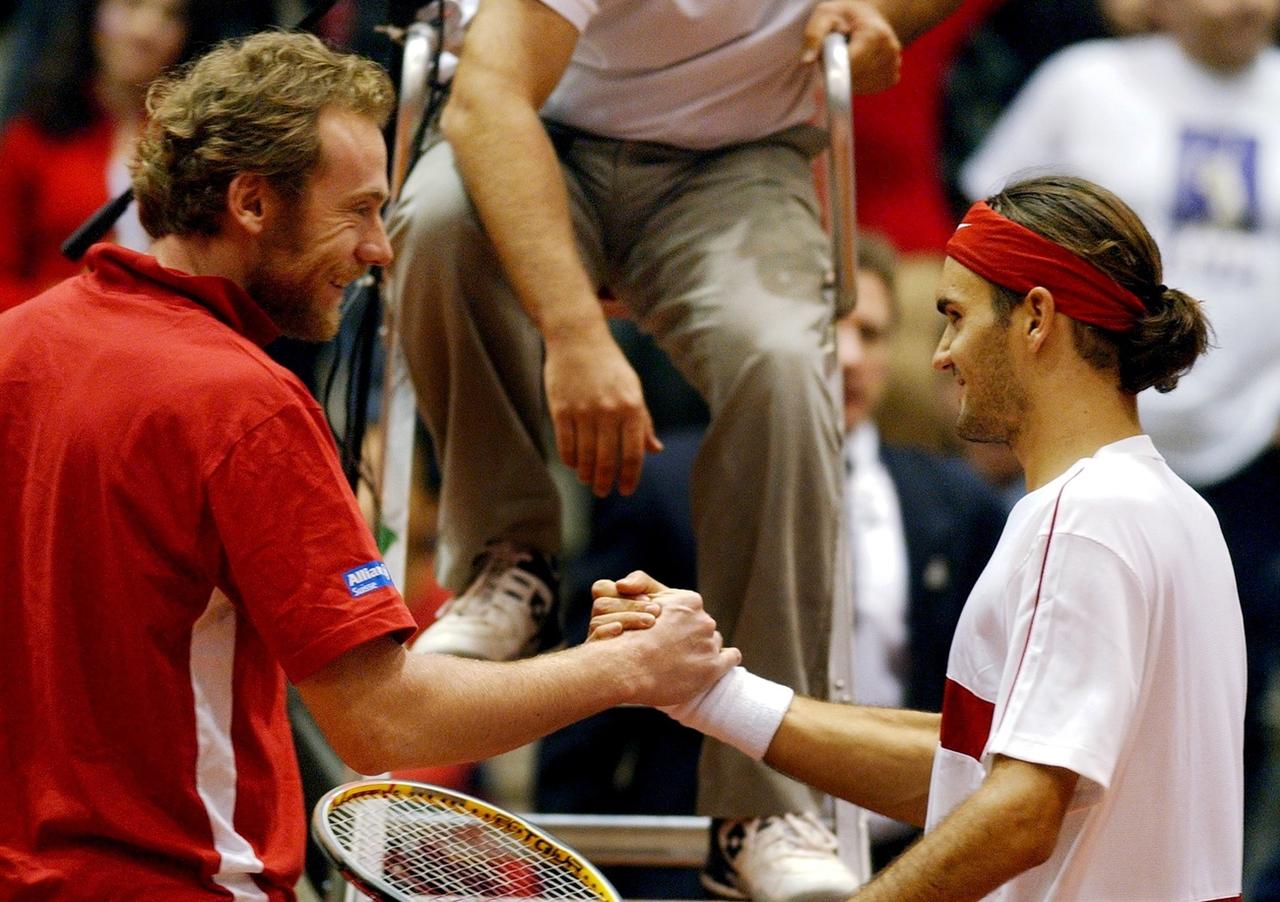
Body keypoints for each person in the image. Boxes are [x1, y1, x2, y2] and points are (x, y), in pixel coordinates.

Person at [0, 32, 738, 898]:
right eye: (358, 210)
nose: (380, 248)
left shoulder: (15, 349)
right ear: (250, 202)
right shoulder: (244, 405)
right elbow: (385, 721)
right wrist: (626, 671)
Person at [385, 0, 964, 895]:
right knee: (434, 217)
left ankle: (765, 804)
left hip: (738, 158)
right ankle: (511, 562)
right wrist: (575, 335)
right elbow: (485, 100)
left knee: (781, 359)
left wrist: (880, 11)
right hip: (540, 134)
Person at [595, 174, 1246, 900]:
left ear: (1035, 318)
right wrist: (713, 694)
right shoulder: (1178, 511)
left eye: (955, 317)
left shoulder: (1087, 516)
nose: (940, 354)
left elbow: (1021, 813)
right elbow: (973, 775)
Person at [958, 1, 1280, 886]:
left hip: (1251, 451)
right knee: (1021, 712)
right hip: (1079, 436)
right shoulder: (1089, 82)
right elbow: (990, 236)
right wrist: (997, 386)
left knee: (1216, 720)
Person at [831, 232, 1008, 871]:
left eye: (871, 334)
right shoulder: (674, 486)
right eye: (824, 328)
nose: (848, 356)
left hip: (908, 853)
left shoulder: (958, 505)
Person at [0, 0, 227, 312]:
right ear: (92, 14)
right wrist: (56, 306)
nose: (145, 31)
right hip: (50, 338)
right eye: (131, 4)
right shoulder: (32, 138)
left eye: (171, 15)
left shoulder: (204, 142)